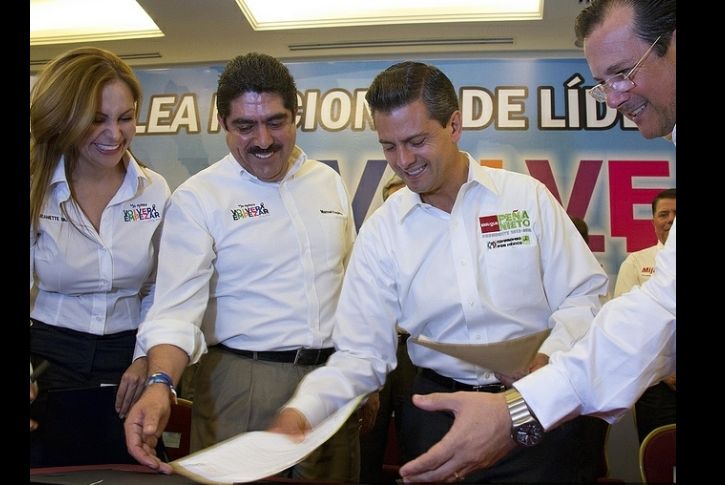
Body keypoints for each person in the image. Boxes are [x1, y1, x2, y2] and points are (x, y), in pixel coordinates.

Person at [271, 61, 609, 483]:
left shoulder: (526, 199)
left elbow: (584, 295)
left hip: (535, 405)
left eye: (416, 141)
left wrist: (549, 357)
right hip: (437, 415)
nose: (403, 161)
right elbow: (361, 352)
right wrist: (303, 410)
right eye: (389, 146)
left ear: (454, 125)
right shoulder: (383, 231)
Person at [397, 0, 676, 481]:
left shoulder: (525, 196)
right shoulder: (388, 223)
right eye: (603, 83)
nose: (613, 98)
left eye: (624, 73)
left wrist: (524, 403)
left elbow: (655, 311)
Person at [122, 52, 360, 482]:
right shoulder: (199, 198)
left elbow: (350, 284)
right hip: (241, 382)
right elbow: (175, 310)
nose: (263, 140)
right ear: (223, 124)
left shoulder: (328, 182)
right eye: (245, 126)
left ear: (295, 115)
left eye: (275, 122)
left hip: (332, 383)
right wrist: (161, 383)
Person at [29, 47, 171, 467]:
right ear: (65, 118)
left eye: (125, 117)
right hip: (46, 357)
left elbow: (159, 288)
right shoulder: (35, 185)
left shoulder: (154, 190)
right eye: (96, 119)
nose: (114, 134)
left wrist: (146, 357)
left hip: (127, 358)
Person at [359, 173, 419, 483]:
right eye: (392, 202)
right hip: (379, 350)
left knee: (418, 439)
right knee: (368, 438)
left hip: (416, 354)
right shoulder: (372, 245)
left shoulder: (437, 245)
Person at [614, 188, 676, 442]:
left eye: (676, 213)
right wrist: (663, 372)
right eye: (664, 214)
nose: (671, 219)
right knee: (660, 456)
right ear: (653, 222)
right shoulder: (636, 263)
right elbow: (624, 327)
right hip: (657, 385)